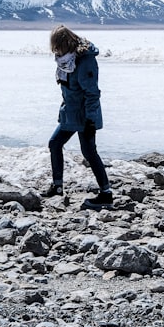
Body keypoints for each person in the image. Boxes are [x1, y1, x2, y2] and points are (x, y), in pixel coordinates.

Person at [44, 24, 113, 210]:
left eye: (57, 46)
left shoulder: (84, 61)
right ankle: (57, 186)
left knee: (89, 152)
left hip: (84, 115)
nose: (55, 51)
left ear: (65, 43)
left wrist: (91, 119)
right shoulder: (65, 60)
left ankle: (106, 193)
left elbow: (92, 92)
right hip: (71, 112)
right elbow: (68, 89)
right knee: (55, 143)